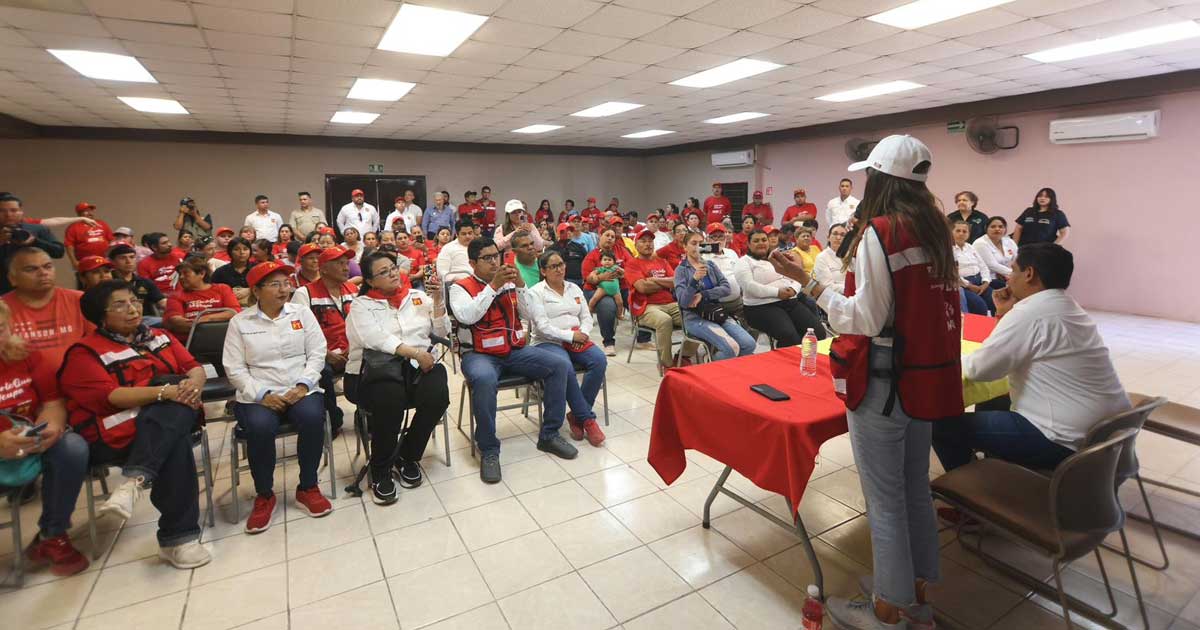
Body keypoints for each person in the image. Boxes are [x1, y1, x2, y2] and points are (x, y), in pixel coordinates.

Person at [767, 135, 961, 630]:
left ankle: (887, 608)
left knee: (885, 497)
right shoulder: (934, 227)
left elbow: (867, 318)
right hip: (920, 377)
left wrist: (812, 286)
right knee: (915, 486)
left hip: (883, 381)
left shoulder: (882, 231)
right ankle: (916, 596)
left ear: (880, 179)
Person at [934, 243, 1130, 482]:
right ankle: (994, 473)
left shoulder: (1030, 312)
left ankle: (969, 490)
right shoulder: (1068, 306)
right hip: (1104, 433)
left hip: (1062, 439)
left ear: (1029, 274)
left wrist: (944, 362)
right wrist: (1004, 314)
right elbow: (1008, 354)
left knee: (940, 425)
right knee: (996, 396)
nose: (1008, 277)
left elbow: (980, 369)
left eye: (1013, 270)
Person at [60, 280, 211, 569]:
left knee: (175, 404)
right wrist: (165, 393)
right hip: (118, 435)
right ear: (100, 314)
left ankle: (135, 481)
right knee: (174, 433)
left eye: (134, 301)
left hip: (162, 425)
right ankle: (178, 540)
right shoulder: (84, 353)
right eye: (120, 304)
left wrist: (192, 384)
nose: (132, 308)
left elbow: (193, 366)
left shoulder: (159, 336)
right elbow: (111, 397)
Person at [448, 238, 580, 482]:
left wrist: (520, 285)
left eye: (495, 256)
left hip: (514, 350)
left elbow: (530, 315)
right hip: (479, 355)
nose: (494, 262)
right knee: (485, 379)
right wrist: (493, 286)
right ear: (472, 263)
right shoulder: (460, 287)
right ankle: (489, 449)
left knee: (560, 364)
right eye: (487, 258)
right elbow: (467, 316)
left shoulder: (509, 282)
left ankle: (550, 434)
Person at [223, 261, 333, 533]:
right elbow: (234, 367)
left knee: (311, 417)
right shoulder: (240, 322)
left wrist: (304, 384)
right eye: (275, 284)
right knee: (260, 427)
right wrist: (262, 394)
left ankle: (308, 486)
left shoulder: (301, 313)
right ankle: (265, 495)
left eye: (286, 283)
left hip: (300, 386)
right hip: (259, 393)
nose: (284, 289)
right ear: (256, 291)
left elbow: (318, 351)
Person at [346, 251, 451, 501]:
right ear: (370, 281)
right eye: (384, 272)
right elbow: (374, 337)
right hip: (373, 371)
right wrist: (414, 352)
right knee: (390, 399)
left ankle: (407, 455)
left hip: (415, 368)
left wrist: (437, 299)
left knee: (438, 393)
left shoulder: (417, 297)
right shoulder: (361, 305)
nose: (393, 273)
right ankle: (380, 467)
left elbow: (441, 329)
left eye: (393, 268)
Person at [0, 300, 90, 576]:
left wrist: (48, 429)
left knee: (72, 447)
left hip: (29, 438)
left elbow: (52, 401)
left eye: (1, 328)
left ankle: (52, 534)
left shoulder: (24, 354)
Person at [527, 250, 607, 445]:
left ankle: (576, 416)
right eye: (553, 266)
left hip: (577, 337)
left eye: (561, 264)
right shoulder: (535, 292)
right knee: (564, 366)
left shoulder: (574, 288)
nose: (560, 269)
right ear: (543, 271)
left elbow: (586, 316)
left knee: (599, 360)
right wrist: (571, 336)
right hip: (548, 342)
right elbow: (543, 327)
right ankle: (587, 419)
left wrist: (584, 333)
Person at [291, 245, 357, 435]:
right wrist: (325, 354)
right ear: (324, 268)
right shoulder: (304, 293)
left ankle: (365, 414)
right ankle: (332, 420)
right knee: (322, 372)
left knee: (374, 363)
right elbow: (298, 332)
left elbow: (364, 323)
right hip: (321, 354)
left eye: (347, 263)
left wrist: (354, 347)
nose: (346, 268)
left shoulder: (353, 289)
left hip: (352, 350)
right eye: (340, 264)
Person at [3, 247, 92, 368]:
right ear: (12, 279)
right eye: (31, 269)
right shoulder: (2, 308)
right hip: (20, 384)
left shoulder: (80, 300)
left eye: (48, 266)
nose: (43, 273)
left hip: (78, 381)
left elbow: (99, 345)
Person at [734, 230, 826, 348]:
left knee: (818, 333)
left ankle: (805, 361)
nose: (761, 243)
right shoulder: (743, 262)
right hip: (761, 307)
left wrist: (793, 289)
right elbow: (750, 287)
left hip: (790, 301)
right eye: (756, 241)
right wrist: (777, 292)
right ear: (748, 244)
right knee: (790, 337)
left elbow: (795, 275)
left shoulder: (778, 257)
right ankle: (786, 364)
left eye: (764, 240)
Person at [673, 232, 755, 361]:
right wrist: (694, 281)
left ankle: (727, 368)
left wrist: (703, 294)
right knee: (731, 348)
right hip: (694, 318)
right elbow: (683, 302)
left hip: (716, 313)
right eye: (694, 243)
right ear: (685, 247)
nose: (698, 247)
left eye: (701, 243)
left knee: (749, 344)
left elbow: (726, 288)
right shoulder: (681, 270)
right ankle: (712, 365)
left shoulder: (710, 265)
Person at [627, 229, 683, 373]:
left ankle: (684, 356)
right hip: (647, 307)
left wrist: (654, 280)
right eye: (643, 241)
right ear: (636, 245)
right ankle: (667, 364)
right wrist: (664, 283)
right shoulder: (632, 264)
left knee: (693, 316)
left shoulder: (662, 261)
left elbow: (675, 281)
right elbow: (642, 287)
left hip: (670, 303)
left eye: (650, 241)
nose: (648, 244)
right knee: (664, 321)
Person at [0, 192, 67, 294]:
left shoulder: (37, 230)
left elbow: (58, 252)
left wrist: (35, 241)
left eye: (13, 210)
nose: (8, 215)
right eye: (2, 211)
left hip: (35, 288)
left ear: (21, 212)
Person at [582, 227, 633, 357]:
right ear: (600, 236)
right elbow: (588, 277)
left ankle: (644, 337)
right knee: (607, 306)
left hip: (620, 287)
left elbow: (632, 269)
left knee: (638, 297)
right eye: (607, 235)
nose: (610, 238)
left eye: (613, 236)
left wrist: (623, 274)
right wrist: (600, 278)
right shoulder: (592, 255)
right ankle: (609, 342)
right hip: (596, 289)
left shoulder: (622, 251)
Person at [163, 256, 240, 340]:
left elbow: (234, 312)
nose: (181, 277)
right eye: (180, 274)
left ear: (202, 273)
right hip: (191, 341)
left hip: (223, 338)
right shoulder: (176, 296)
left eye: (186, 273)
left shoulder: (222, 289)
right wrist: (215, 320)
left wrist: (205, 318)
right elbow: (176, 322)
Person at [109, 244, 167, 319]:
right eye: (123, 258)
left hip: (145, 319)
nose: (128, 261)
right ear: (113, 262)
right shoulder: (108, 282)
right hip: (119, 319)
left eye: (132, 257)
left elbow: (162, 302)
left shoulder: (145, 282)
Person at [953, 220, 994, 315]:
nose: (961, 234)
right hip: (964, 285)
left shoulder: (970, 247)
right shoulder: (948, 250)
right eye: (958, 231)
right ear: (951, 232)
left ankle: (993, 327)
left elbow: (983, 267)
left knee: (995, 300)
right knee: (980, 306)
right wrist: (969, 286)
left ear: (968, 234)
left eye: (964, 231)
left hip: (980, 282)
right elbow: (953, 274)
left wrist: (985, 283)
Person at [64, 202, 114, 271]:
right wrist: (74, 262)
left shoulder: (102, 224)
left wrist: (112, 257)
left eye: (90, 211)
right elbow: (69, 246)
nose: (90, 213)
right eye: (86, 211)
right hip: (85, 263)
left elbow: (112, 241)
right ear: (79, 214)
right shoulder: (73, 228)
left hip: (104, 260)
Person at [973, 216, 1018, 288]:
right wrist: (1014, 274)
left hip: (1007, 276)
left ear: (1005, 229)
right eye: (993, 227)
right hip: (989, 278)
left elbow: (1017, 259)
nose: (997, 229)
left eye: (1001, 227)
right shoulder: (980, 243)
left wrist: (1018, 273)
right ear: (986, 229)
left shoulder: (1009, 241)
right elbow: (992, 265)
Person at [212, 237, 256, 307]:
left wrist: (249, 290)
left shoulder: (257, 268)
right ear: (230, 252)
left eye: (245, 249)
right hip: (229, 308)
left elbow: (267, 286)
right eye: (236, 249)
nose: (242, 252)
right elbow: (213, 292)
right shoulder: (220, 272)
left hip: (255, 306)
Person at [587, 250, 624, 320]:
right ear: (601, 262)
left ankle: (619, 314)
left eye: (609, 260)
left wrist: (621, 271)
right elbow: (593, 273)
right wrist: (594, 275)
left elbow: (624, 273)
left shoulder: (616, 268)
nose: (607, 261)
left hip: (615, 290)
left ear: (614, 261)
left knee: (620, 303)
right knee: (594, 299)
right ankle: (590, 310)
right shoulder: (601, 269)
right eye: (605, 260)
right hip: (602, 289)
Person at [813, 223, 849, 295]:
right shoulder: (822, 257)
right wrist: (850, 289)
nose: (838, 237)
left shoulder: (851, 256)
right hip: (833, 299)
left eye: (842, 235)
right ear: (828, 237)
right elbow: (827, 285)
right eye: (835, 234)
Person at [435, 219, 476, 283]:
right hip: (458, 285)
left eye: (470, 233)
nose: (468, 236)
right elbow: (442, 273)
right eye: (464, 234)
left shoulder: (480, 246)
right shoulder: (448, 248)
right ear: (457, 234)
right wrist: (458, 279)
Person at [548, 223, 587, 288]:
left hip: (579, 281)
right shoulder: (551, 249)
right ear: (559, 233)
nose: (568, 233)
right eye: (565, 231)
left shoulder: (579, 247)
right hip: (558, 280)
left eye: (571, 231)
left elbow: (586, 262)